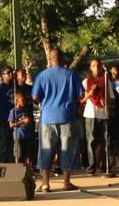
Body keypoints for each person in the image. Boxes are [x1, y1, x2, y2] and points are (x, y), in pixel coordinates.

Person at [32, 47, 84, 192]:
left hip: (47, 117)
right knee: (67, 149)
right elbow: (80, 95)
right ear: (62, 59)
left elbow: (35, 97)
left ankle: (46, 183)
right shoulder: (71, 75)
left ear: (50, 59)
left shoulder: (42, 75)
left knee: (46, 149)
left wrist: (45, 102)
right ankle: (66, 182)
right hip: (67, 115)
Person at [81, 59, 115, 175]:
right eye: (94, 66)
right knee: (91, 141)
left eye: (98, 65)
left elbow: (111, 98)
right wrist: (90, 93)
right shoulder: (86, 82)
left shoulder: (106, 80)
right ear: (90, 68)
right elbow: (82, 100)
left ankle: (105, 166)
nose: (96, 68)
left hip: (103, 114)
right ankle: (92, 166)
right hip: (90, 114)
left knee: (105, 141)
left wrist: (106, 102)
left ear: (101, 67)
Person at [8, 92, 34, 167]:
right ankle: (17, 169)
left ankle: (29, 170)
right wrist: (22, 121)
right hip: (18, 136)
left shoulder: (26, 110)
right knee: (18, 154)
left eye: (25, 100)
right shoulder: (13, 111)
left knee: (28, 154)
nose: (24, 102)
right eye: (22, 100)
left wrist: (29, 121)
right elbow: (11, 125)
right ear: (17, 101)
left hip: (27, 135)